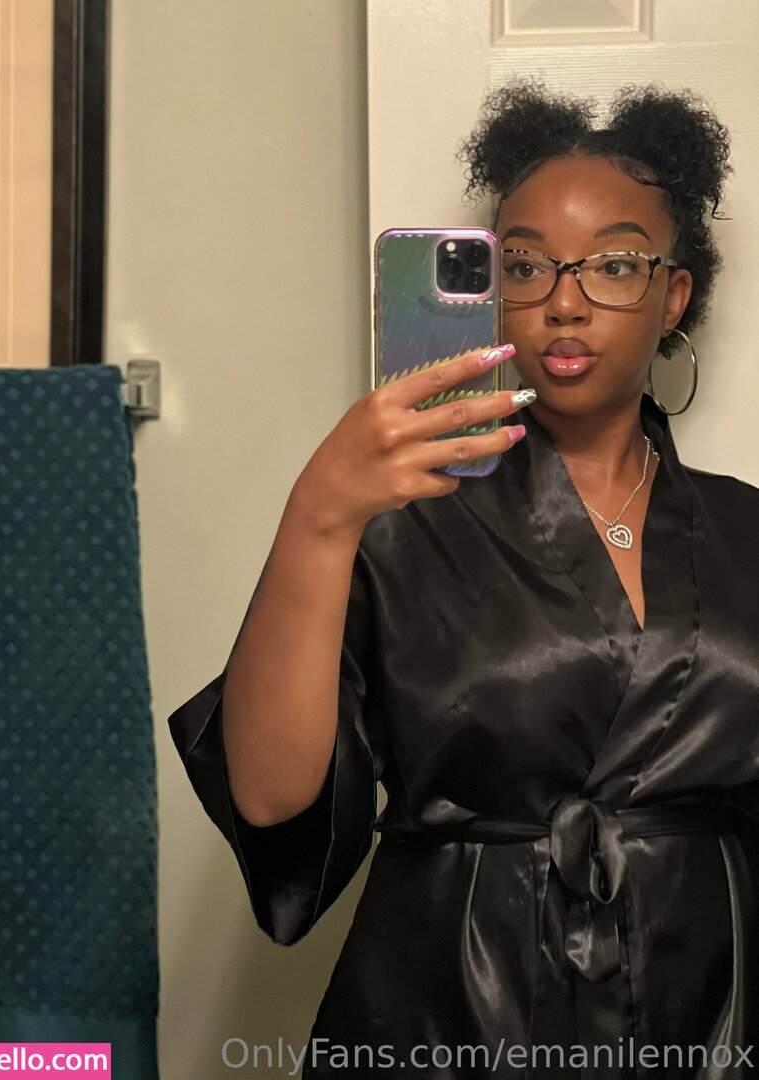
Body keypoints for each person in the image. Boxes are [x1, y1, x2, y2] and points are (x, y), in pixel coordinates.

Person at [168, 80, 759, 1079]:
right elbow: (270, 803)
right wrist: (318, 517)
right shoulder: (398, 522)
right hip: (445, 1016)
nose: (564, 301)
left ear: (674, 297)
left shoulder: (748, 529)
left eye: (615, 264)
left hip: (708, 1017)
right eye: (524, 265)